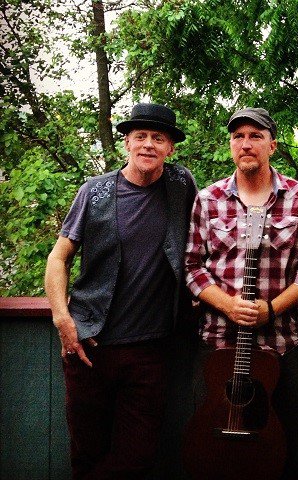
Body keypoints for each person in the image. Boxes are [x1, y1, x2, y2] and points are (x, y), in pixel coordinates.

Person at [44, 103, 197, 479]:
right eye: (140, 136)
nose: (148, 144)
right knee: (86, 455)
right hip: (89, 349)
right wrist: (63, 320)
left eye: (158, 138)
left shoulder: (182, 186)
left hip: (151, 351)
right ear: (126, 142)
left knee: (136, 460)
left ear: (170, 148)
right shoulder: (93, 193)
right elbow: (58, 259)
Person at [184, 107, 298, 479]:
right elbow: (192, 268)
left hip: (281, 344)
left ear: (272, 145)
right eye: (238, 137)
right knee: (212, 452)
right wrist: (228, 305)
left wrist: (270, 309)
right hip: (218, 346)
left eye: (255, 136)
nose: (245, 144)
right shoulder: (207, 199)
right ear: (230, 145)